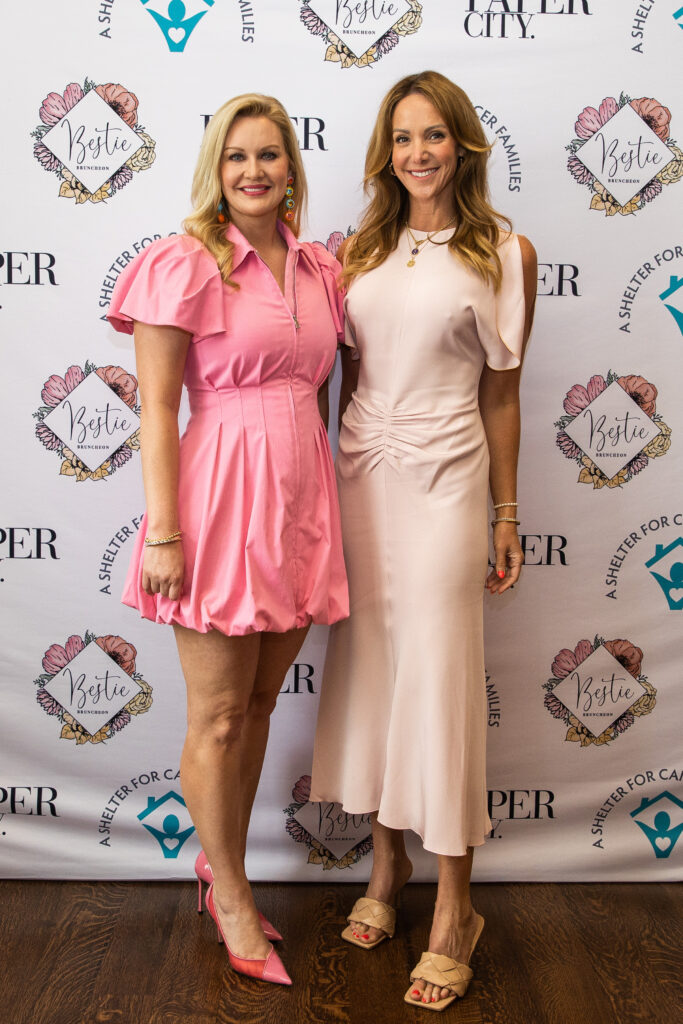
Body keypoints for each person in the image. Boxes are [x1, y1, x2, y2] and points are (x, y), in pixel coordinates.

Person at [107, 93, 348, 987]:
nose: (254, 171)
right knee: (214, 714)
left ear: (292, 167)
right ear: (216, 167)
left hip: (299, 498)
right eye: (237, 156)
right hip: (214, 500)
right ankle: (233, 895)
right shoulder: (184, 263)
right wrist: (163, 531)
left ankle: (225, 866)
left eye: (270, 156)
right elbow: (158, 409)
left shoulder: (322, 267)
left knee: (254, 710)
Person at [311, 70, 536, 1011]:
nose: (418, 154)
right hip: (364, 475)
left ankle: (454, 907)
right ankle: (383, 869)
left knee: (438, 678)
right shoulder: (355, 251)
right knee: (373, 670)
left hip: (449, 482)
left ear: (463, 145)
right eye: (402, 138)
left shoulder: (502, 251)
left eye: (434, 136)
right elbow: (342, 376)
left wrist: (506, 513)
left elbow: (501, 394)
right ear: (385, 151)